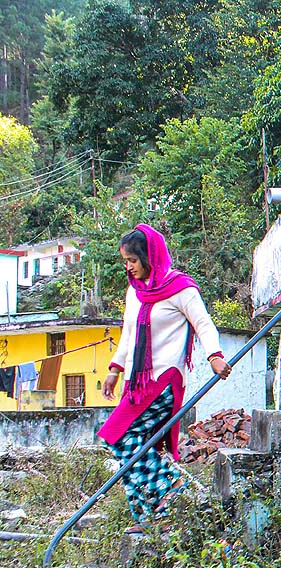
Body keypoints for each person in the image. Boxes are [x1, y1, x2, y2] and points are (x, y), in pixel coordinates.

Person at [98, 224, 231, 533]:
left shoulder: (180, 287)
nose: (128, 267)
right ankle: (147, 518)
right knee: (135, 447)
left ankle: (174, 489)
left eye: (132, 259)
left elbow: (203, 323)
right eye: (125, 260)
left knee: (117, 436)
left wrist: (214, 355)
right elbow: (129, 333)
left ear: (149, 256)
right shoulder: (135, 291)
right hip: (136, 382)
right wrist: (115, 369)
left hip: (164, 379)